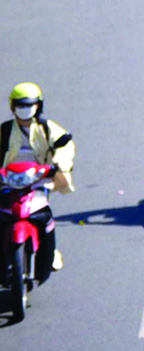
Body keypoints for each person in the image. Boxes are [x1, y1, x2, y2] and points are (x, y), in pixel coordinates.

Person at [3, 83, 75, 280]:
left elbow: (64, 145)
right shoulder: (5, 130)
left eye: (29, 105)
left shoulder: (47, 128)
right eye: (20, 105)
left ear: (38, 106)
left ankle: (50, 252)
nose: (24, 109)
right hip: (8, 181)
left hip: (38, 180)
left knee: (43, 216)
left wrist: (59, 165)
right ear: (13, 106)